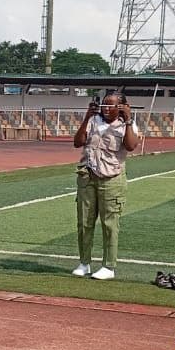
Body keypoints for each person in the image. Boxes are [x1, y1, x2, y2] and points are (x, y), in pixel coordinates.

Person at [72, 92, 141, 280]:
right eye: (104, 104)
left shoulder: (128, 125)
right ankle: (84, 262)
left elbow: (131, 146)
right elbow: (77, 142)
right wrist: (87, 117)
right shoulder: (94, 121)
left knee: (109, 223)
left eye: (112, 105)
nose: (107, 108)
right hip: (87, 177)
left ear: (122, 106)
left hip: (112, 179)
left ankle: (108, 266)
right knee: (84, 222)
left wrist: (127, 120)